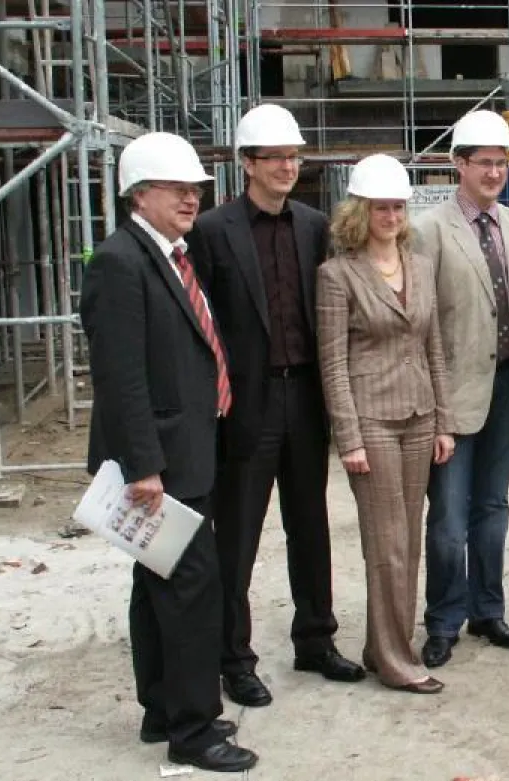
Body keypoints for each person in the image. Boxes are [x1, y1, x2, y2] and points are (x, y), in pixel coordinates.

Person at [81, 132, 257, 772]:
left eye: (196, 190)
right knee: (191, 593)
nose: (192, 198)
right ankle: (195, 730)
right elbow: (119, 377)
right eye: (178, 189)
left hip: (188, 454)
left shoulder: (172, 257)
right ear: (140, 193)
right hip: (161, 466)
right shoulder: (120, 263)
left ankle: (160, 708)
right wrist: (144, 466)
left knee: (156, 585)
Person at [187, 103, 363, 708]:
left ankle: (315, 640)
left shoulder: (315, 226)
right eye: (276, 158)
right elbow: (202, 324)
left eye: (294, 156)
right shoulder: (212, 232)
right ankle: (233, 657)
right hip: (247, 403)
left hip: (305, 398)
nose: (289, 166)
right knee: (236, 536)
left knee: (310, 526)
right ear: (247, 164)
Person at [316, 154, 456, 693]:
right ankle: (399, 660)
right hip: (371, 419)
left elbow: (434, 348)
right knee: (387, 542)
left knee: (411, 539)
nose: (391, 214)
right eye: (381, 206)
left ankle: (384, 646)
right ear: (361, 210)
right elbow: (332, 363)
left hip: (420, 416)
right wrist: (348, 437)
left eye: (398, 205)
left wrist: (443, 420)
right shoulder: (336, 276)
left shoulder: (418, 266)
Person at [412, 110, 509, 668]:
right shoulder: (429, 231)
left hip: (508, 384)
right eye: (483, 162)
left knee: (494, 505)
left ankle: (489, 609)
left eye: (501, 162)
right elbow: (422, 321)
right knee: (448, 519)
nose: (494, 172)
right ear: (457, 164)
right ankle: (443, 619)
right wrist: (434, 408)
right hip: (455, 392)